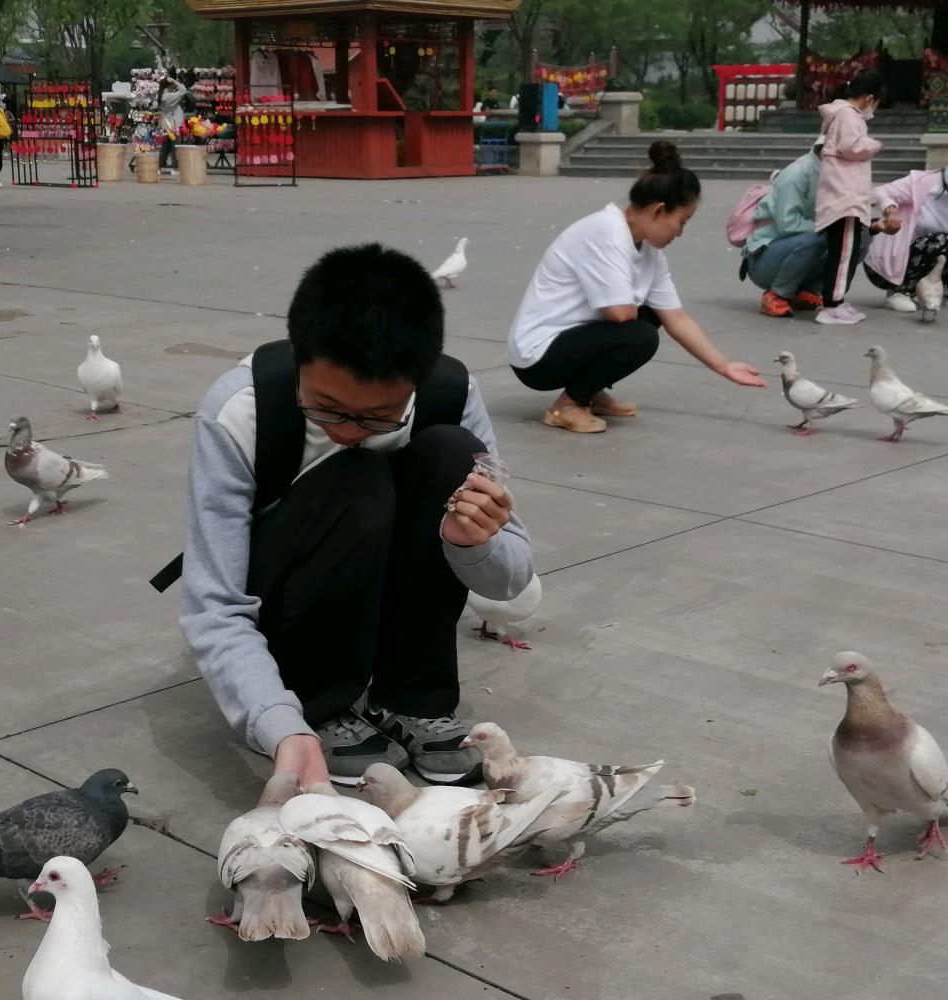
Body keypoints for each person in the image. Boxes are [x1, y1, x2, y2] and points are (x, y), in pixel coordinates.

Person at [178, 244, 534, 790]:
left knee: (448, 453)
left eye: (378, 416)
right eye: (324, 407)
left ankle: (410, 698)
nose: (345, 429)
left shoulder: (450, 395)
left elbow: (513, 580)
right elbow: (214, 604)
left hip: (381, 572)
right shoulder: (241, 410)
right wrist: (278, 720)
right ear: (299, 357)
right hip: (286, 585)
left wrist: (474, 543)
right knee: (357, 475)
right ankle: (318, 702)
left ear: (416, 382)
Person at [507, 140, 765, 434]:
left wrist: (724, 366)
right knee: (639, 334)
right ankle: (567, 406)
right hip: (538, 355)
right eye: (681, 222)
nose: (681, 232)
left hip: (571, 340)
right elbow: (619, 313)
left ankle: (587, 392)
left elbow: (677, 318)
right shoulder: (607, 231)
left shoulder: (650, 252)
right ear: (659, 210)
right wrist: (632, 306)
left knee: (651, 316)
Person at [813, 70, 885, 325]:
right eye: (875, 103)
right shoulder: (848, 116)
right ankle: (832, 306)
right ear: (869, 98)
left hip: (842, 196)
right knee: (844, 254)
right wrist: (874, 145)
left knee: (844, 252)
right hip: (845, 199)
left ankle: (837, 301)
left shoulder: (841, 114)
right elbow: (850, 146)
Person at [743, 144, 826, 317]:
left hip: (797, 248)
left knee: (857, 236)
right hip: (765, 257)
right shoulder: (797, 173)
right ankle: (777, 293)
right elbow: (788, 224)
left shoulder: (835, 174)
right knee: (818, 238)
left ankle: (808, 290)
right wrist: (828, 226)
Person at [864, 167, 948, 311]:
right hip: (890, 264)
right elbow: (878, 192)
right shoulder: (924, 182)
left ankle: (936, 290)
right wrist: (890, 210)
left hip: (929, 258)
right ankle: (900, 291)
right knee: (941, 240)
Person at [157, 75, 188, 174]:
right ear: (169, 86)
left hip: (165, 124)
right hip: (174, 126)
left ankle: (158, 167)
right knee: (176, 147)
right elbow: (183, 90)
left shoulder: (160, 96)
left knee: (165, 147)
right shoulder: (170, 97)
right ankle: (175, 168)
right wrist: (175, 82)